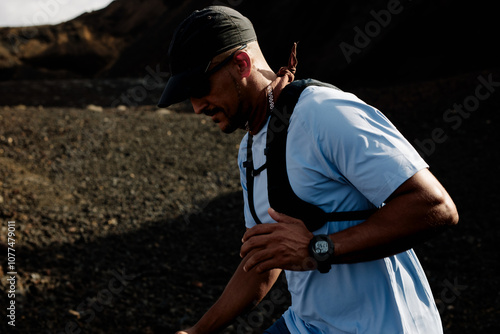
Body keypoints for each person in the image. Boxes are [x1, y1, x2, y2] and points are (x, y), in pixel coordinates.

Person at [158, 6, 459, 334]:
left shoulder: (324, 113)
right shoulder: (248, 150)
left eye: (200, 89)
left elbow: (435, 206)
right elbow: (263, 262)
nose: (197, 107)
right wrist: (196, 331)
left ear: (242, 64)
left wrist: (319, 248)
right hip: (307, 325)